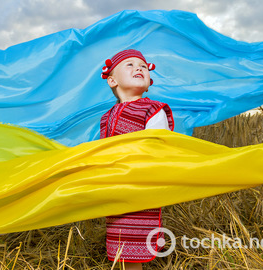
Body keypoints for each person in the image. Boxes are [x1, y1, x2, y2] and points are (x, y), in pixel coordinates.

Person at [100, 49, 175, 270]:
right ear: (112, 80)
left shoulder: (152, 110)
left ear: (149, 82)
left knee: (134, 246)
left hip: (140, 187)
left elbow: (158, 148)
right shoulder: (107, 117)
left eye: (142, 66)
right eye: (130, 65)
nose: (139, 68)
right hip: (115, 190)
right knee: (118, 246)